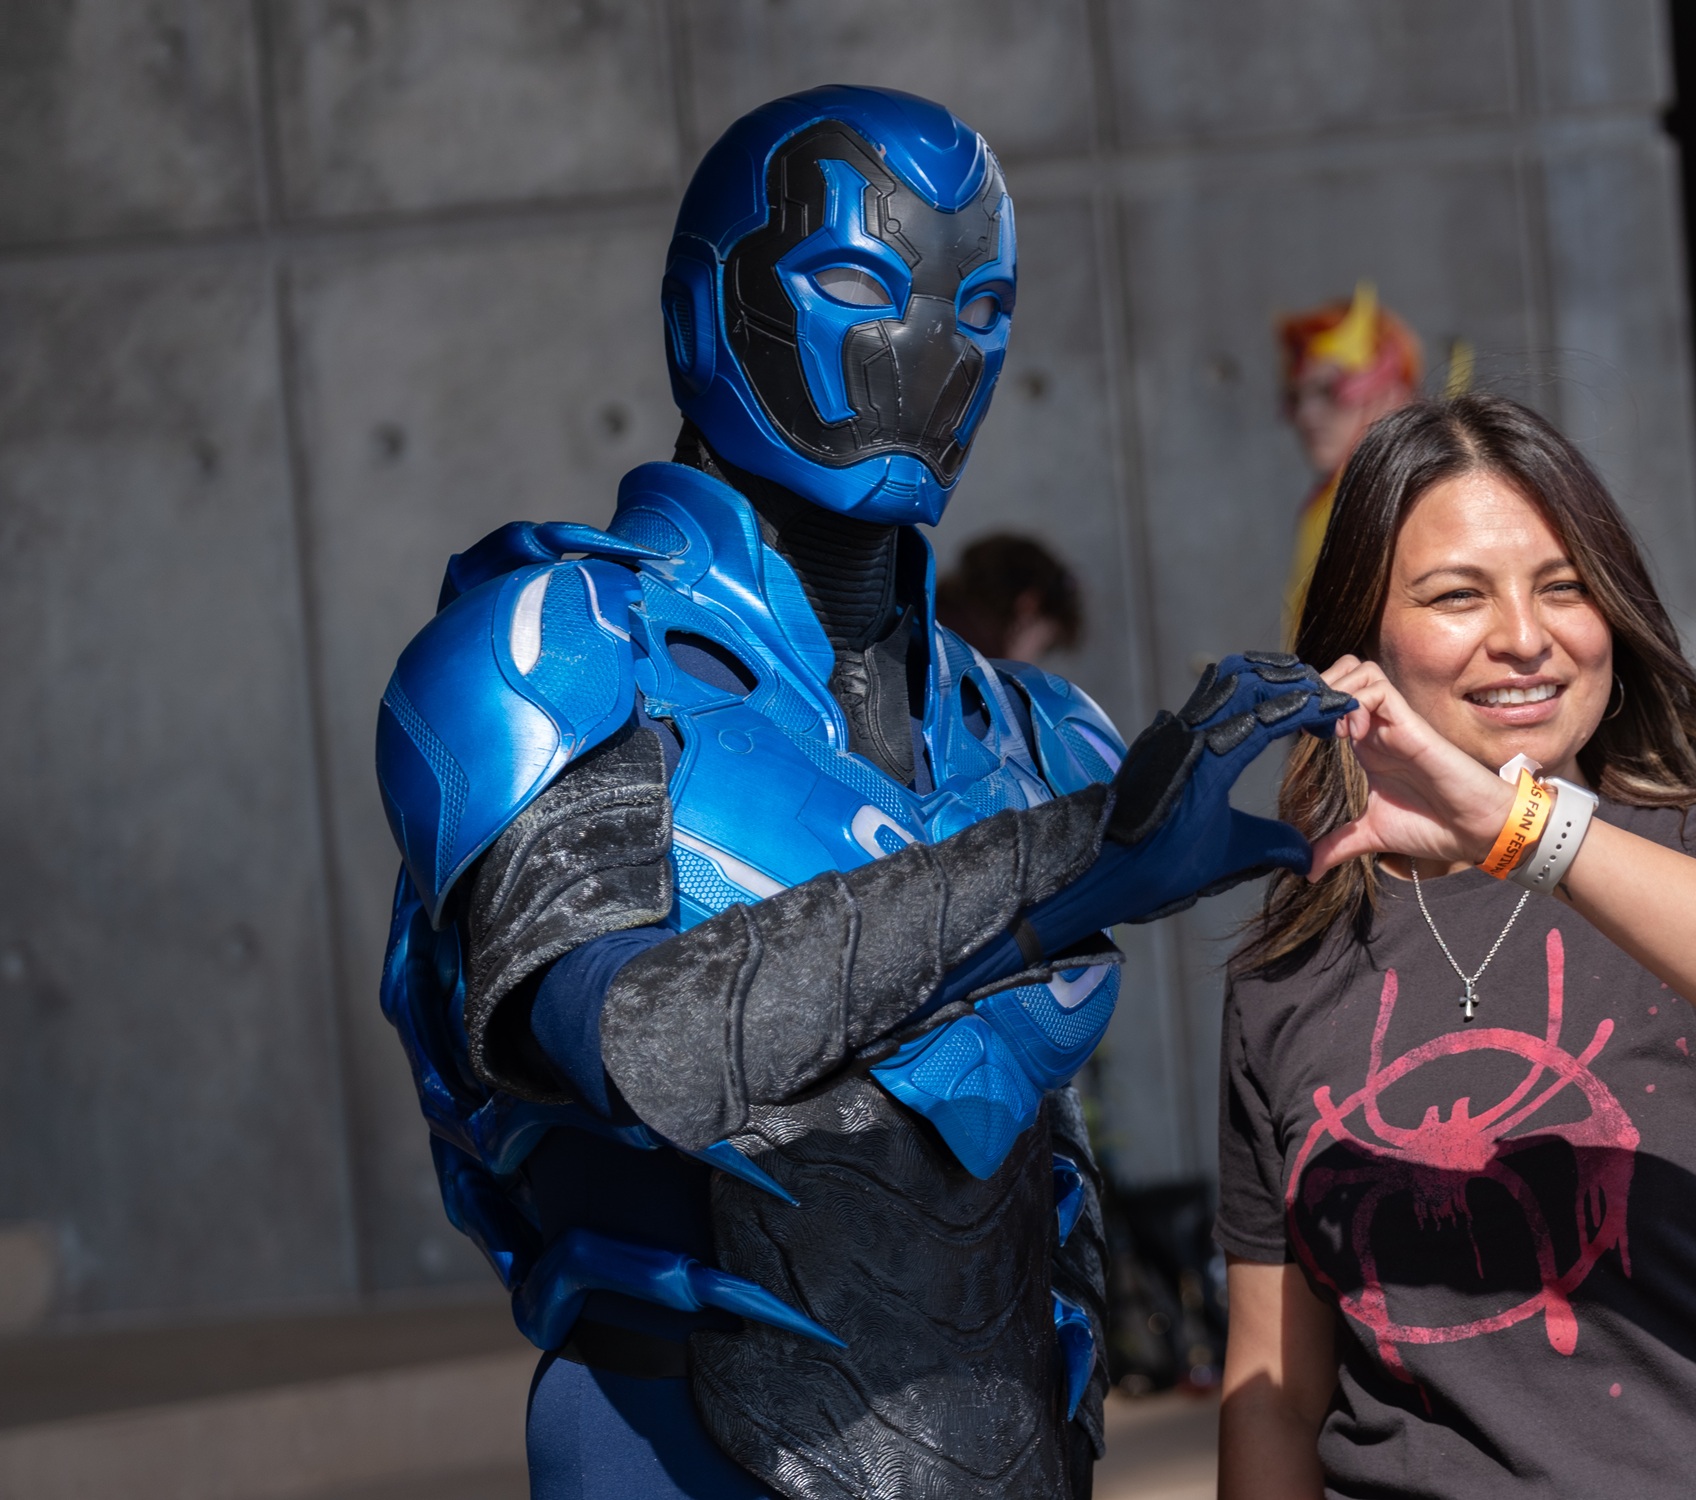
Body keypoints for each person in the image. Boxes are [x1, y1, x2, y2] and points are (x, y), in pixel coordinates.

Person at [374, 85, 1350, 1500]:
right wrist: (1067, 870)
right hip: (684, 1445)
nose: (926, 356)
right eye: (856, 283)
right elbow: (638, 1046)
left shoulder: (1033, 731)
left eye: (982, 309)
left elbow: (1025, 1167)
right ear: (710, 304)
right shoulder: (554, 657)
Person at [1215, 394, 1696, 1498]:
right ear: (1364, 639)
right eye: (1458, 596)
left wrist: (1519, 828)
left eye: (1564, 586)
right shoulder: (1287, 966)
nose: (1526, 638)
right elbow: (1276, 1392)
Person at [1277, 283, 1424, 634]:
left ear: (1392, 394)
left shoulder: (1412, 500)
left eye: (1331, 392)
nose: (1307, 415)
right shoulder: (1328, 500)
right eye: (1297, 396)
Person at [936, 531, 1084, 665]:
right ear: (1028, 604)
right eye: (1043, 646)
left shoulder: (929, 612)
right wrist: (1015, 664)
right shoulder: (977, 667)